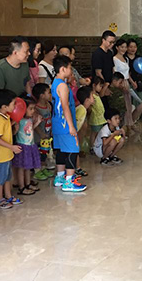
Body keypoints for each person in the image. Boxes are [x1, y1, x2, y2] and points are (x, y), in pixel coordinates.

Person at [51, 55, 87, 192]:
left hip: (57, 123)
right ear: (62, 69)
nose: (71, 71)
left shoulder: (55, 83)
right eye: (70, 68)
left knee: (61, 150)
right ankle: (69, 181)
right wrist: (71, 126)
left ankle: (60, 177)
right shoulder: (63, 86)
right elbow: (65, 106)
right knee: (72, 149)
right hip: (65, 124)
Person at [0, 89, 23, 210]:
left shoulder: (5, 116)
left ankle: (8, 195)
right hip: (1, 155)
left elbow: (5, 132)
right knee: (0, 178)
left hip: (7, 154)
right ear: (4, 106)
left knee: (8, 176)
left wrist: (14, 126)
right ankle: (0, 198)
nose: (15, 106)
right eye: (13, 104)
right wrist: (12, 147)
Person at [12, 97, 42, 196]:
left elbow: (30, 130)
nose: (33, 111)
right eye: (31, 109)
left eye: (34, 108)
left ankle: (28, 184)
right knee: (21, 168)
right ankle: (21, 187)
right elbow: (14, 132)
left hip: (30, 145)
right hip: (22, 146)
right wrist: (15, 128)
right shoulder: (19, 120)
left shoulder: (29, 119)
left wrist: (37, 122)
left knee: (28, 167)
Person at [31, 83, 54, 181]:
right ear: (42, 95)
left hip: (47, 135)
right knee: (38, 154)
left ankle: (44, 168)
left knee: (44, 153)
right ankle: (37, 171)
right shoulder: (36, 109)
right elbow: (34, 123)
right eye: (48, 92)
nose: (50, 94)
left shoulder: (48, 105)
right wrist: (41, 134)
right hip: (39, 137)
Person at [113, 39, 142, 109]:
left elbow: (127, 73)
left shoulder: (126, 59)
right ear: (117, 47)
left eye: (125, 47)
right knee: (125, 105)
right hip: (120, 83)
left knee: (134, 103)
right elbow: (114, 73)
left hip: (127, 82)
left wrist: (132, 82)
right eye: (122, 47)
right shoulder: (114, 59)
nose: (124, 49)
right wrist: (119, 84)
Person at [88, 77, 109, 153]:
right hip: (95, 118)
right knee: (94, 133)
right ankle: (92, 147)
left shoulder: (96, 94)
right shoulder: (91, 95)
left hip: (100, 118)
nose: (101, 88)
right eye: (100, 86)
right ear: (94, 85)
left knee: (99, 133)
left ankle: (97, 146)